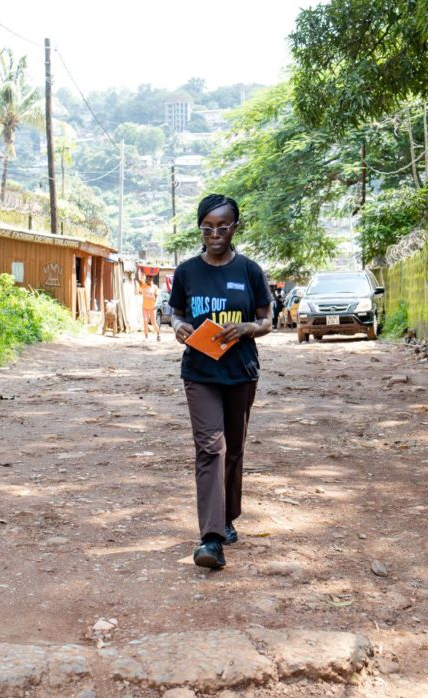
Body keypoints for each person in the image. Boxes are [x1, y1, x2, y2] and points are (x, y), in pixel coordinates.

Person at [168, 194, 272, 570]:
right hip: (200, 372)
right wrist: (179, 326)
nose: (215, 234)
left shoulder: (250, 271)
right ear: (200, 229)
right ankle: (211, 538)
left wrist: (246, 329)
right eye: (207, 228)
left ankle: (227, 517)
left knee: (234, 449)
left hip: (240, 371)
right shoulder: (187, 272)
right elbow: (175, 313)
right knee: (211, 448)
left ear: (234, 228)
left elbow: (267, 320)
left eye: (222, 227)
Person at [140, 275, 160, 341]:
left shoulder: (155, 287)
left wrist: (155, 304)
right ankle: (146, 336)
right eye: (147, 278)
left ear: (151, 279)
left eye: (149, 278)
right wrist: (138, 271)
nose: (148, 280)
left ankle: (158, 334)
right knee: (145, 321)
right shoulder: (143, 285)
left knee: (153, 322)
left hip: (152, 307)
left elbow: (156, 296)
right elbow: (137, 280)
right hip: (145, 307)